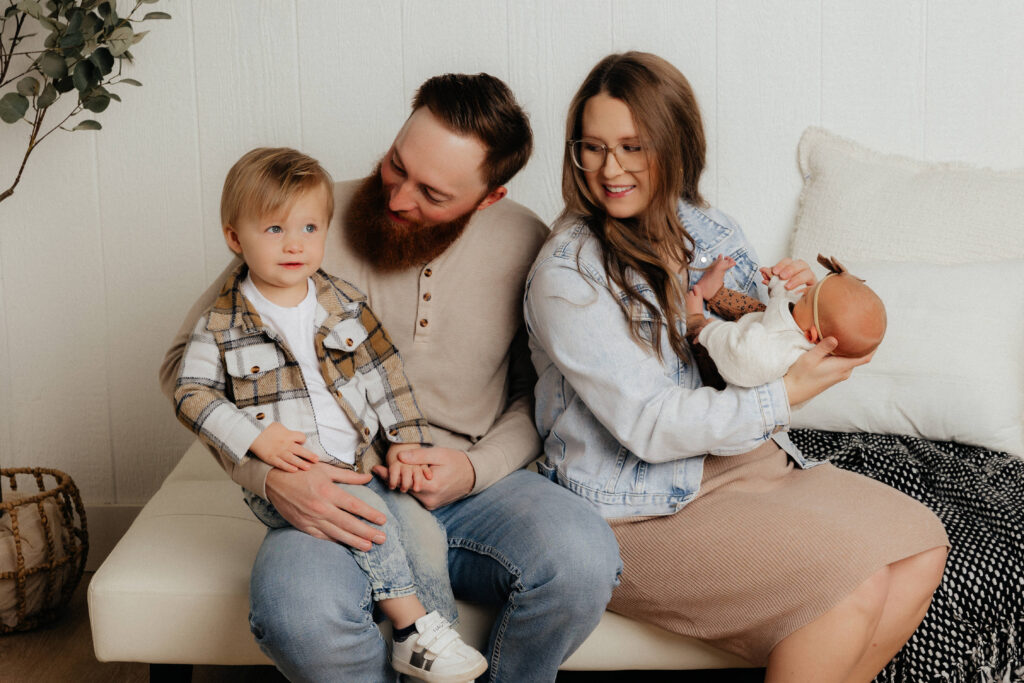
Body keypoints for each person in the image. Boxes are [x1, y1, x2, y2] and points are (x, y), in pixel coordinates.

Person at [161, 73, 621, 682]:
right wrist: (268, 475)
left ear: (490, 197)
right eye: (396, 166)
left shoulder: (527, 243)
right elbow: (185, 370)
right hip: (334, 490)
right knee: (296, 612)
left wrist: (475, 468)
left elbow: (535, 392)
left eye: (432, 193)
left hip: (474, 496)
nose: (400, 198)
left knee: (582, 560)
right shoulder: (302, 224)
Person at [524, 52, 948, 682]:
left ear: (676, 146)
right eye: (593, 147)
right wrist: (787, 396)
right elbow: (649, 424)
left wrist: (802, 304)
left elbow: (751, 343)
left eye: (633, 147)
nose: (610, 169)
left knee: (919, 542)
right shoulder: (569, 276)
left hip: (746, 463)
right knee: (843, 589)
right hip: (641, 505)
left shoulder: (710, 229)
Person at [173, 147, 487, 682]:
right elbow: (190, 395)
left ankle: (438, 646)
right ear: (235, 238)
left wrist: (408, 441)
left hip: (362, 462)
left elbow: (387, 374)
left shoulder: (342, 301)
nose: (295, 244)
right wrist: (256, 440)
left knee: (425, 536)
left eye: (310, 227)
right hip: (298, 476)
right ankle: (412, 630)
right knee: (376, 524)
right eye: (273, 229)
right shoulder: (221, 323)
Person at [684, 253, 887, 389]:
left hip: (726, 368)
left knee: (704, 345)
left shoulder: (781, 351)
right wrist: (776, 281)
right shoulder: (802, 320)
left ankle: (694, 321)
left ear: (811, 336)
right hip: (758, 327)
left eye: (807, 297)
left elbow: (743, 361)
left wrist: (711, 330)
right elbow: (785, 300)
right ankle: (714, 292)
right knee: (760, 309)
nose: (805, 291)